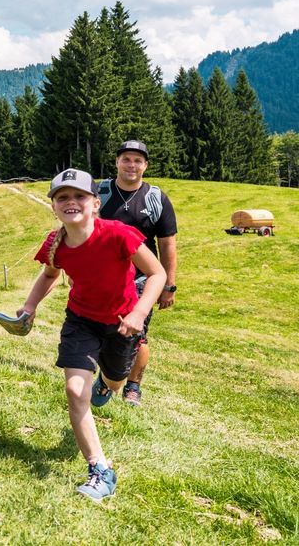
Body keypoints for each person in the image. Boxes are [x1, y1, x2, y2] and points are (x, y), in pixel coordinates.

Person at [16, 168, 165, 501]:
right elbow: (49, 275)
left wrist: (139, 313)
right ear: (54, 206)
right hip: (81, 321)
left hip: (122, 323)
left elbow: (157, 273)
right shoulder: (57, 243)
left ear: (95, 203)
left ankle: (107, 383)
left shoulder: (118, 234)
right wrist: (29, 306)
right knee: (74, 390)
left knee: (115, 381)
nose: (71, 202)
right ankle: (100, 469)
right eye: (63, 197)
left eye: (79, 196)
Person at [97, 140, 178, 407]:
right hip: (102, 277)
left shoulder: (156, 198)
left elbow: (167, 245)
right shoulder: (101, 193)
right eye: (126, 159)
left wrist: (169, 285)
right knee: (99, 329)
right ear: (117, 162)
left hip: (141, 280)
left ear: (145, 166)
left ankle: (133, 387)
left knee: (136, 333)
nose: (132, 165)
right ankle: (106, 379)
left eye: (137, 160)